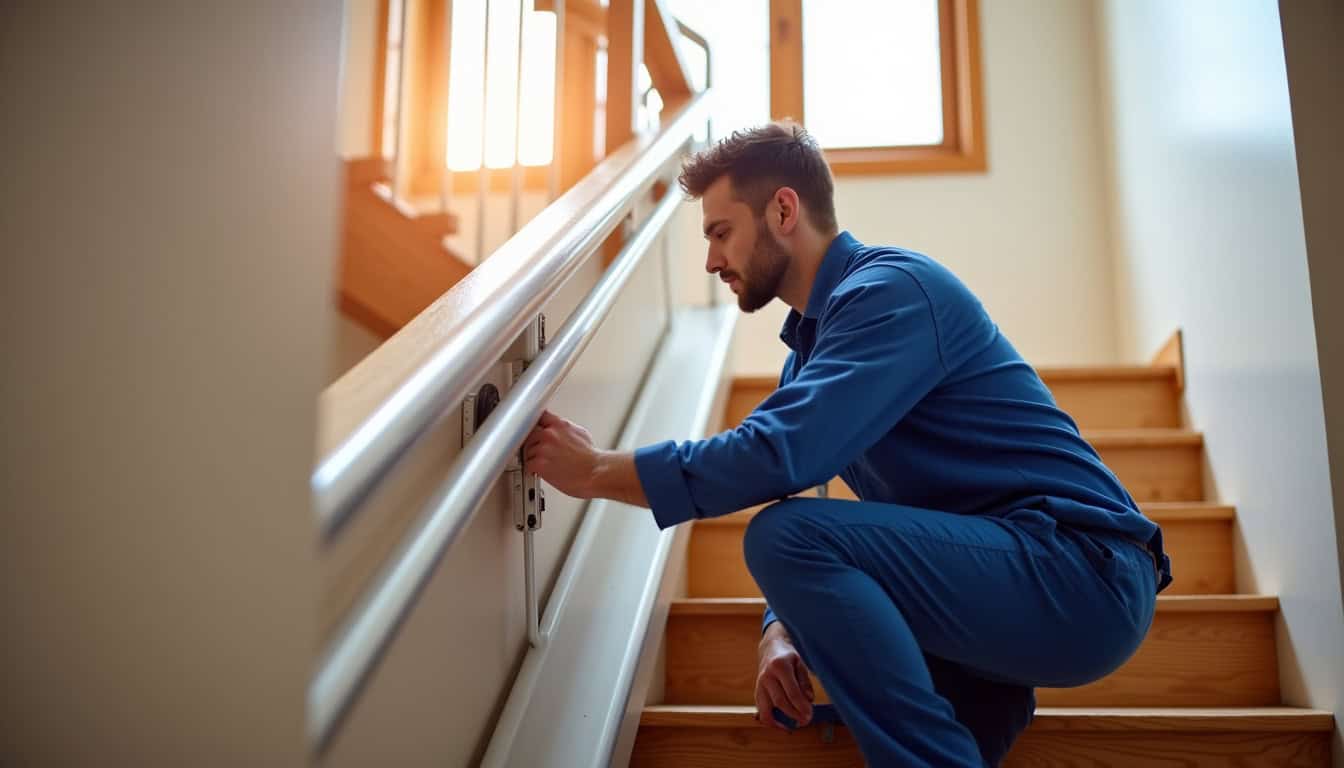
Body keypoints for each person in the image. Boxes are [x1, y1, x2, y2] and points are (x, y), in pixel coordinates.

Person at [523, 122, 1171, 767]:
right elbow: (800, 479)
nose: (712, 261)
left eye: (721, 233)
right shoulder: (811, 353)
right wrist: (779, 628)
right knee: (826, 568)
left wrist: (597, 472)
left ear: (782, 210)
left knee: (785, 537)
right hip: (1001, 592)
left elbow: (778, 457)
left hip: (1080, 569)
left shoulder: (889, 292)